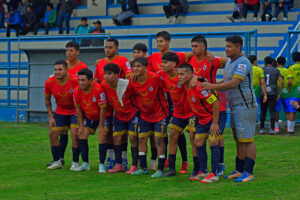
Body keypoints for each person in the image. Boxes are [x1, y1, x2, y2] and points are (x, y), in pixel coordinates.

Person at [201, 36, 257, 182]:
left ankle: (249, 171)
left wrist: (212, 86)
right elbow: (226, 82)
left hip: (245, 106)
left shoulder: (243, 63)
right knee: (238, 138)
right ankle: (239, 169)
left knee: (247, 139)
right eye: (226, 46)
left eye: (229, 46)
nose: (226, 49)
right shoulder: (229, 63)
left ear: (238, 48)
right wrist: (210, 84)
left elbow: (234, 83)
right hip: (234, 106)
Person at [148, 31, 190, 171]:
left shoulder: (178, 58)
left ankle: (185, 160)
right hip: (168, 101)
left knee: (182, 134)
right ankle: (165, 160)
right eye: (157, 41)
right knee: (169, 131)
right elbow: (148, 73)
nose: (159, 44)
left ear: (168, 41)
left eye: (161, 41)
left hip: (184, 105)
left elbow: (193, 55)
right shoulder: (153, 58)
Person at [188, 35, 228, 178]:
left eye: (196, 46)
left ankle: (218, 167)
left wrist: (220, 83)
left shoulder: (212, 59)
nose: (193, 49)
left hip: (213, 102)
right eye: (192, 46)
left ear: (203, 47)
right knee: (197, 138)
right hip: (199, 106)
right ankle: (202, 170)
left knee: (214, 138)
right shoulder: (190, 59)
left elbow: (230, 61)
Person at [178, 63, 224, 183]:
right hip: (201, 119)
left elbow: (215, 103)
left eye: (182, 74)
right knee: (198, 141)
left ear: (190, 75)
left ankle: (214, 174)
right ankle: (203, 171)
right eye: (178, 74)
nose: (179, 77)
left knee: (213, 141)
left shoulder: (198, 87)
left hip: (215, 116)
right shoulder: (186, 85)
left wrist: (215, 123)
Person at [94, 38, 132, 170]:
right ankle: (111, 158)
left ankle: (123, 158)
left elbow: (129, 76)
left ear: (116, 48)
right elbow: (97, 82)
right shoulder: (100, 63)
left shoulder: (123, 60)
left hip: (121, 102)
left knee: (123, 133)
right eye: (106, 47)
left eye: (110, 47)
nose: (107, 49)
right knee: (108, 131)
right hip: (107, 103)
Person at [156, 52, 194, 177]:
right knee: (172, 135)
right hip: (177, 111)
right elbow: (153, 77)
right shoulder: (163, 75)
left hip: (191, 111)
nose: (163, 65)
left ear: (174, 64)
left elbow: (194, 77)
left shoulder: (181, 75)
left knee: (193, 138)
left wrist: (195, 78)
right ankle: (171, 168)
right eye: (162, 62)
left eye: (165, 62)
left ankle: (197, 168)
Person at [130, 57, 169, 178]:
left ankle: (161, 169)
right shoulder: (132, 80)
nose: (135, 68)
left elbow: (166, 89)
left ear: (145, 67)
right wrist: (140, 107)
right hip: (144, 115)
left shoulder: (155, 78)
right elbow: (131, 96)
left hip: (159, 113)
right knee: (141, 139)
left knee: (158, 140)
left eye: (138, 66)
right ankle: (143, 168)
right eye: (134, 66)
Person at [100, 63, 139, 174]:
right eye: (105, 74)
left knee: (132, 138)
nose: (106, 76)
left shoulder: (127, 84)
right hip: (119, 115)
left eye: (109, 74)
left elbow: (137, 94)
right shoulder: (104, 85)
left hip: (132, 113)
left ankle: (135, 165)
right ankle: (119, 164)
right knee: (116, 137)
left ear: (117, 75)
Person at [44, 60, 79, 170]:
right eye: (55, 70)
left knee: (74, 134)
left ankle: (75, 162)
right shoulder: (49, 82)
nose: (57, 72)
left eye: (60, 69)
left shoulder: (75, 80)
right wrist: (51, 117)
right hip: (60, 111)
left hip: (75, 111)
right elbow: (47, 100)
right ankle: (57, 161)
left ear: (66, 69)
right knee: (52, 133)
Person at [73, 68, 107, 171]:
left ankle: (101, 165)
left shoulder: (98, 89)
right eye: (79, 80)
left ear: (91, 80)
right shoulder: (76, 91)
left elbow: (103, 108)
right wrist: (81, 126)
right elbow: (78, 109)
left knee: (102, 135)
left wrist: (101, 126)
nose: (80, 83)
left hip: (102, 116)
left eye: (83, 80)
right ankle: (85, 164)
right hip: (89, 116)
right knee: (82, 134)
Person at [132, 43, 158, 170]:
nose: (136, 54)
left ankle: (154, 161)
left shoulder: (153, 75)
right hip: (141, 110)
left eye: (139, 52)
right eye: (134, 52)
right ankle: (138, 164)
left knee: (155, 137)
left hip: (156, 110)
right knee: (139, 136)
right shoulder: (132, 76)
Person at [260, 56, 282, 135]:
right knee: (272, 111)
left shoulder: (261, 70)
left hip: (263, 92)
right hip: (273, 93)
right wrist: (279, 93)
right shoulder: (276, 70)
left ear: (264, 62)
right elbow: (280, 81)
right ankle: (272, 129)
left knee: (263, 111)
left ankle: (262, 129)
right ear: (272, 63)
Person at [274, 56, 291, 134]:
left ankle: (276, 127)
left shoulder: (275, 70)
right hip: (287, 94)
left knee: (276, 111)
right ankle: (289, 127)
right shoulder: (288, 70)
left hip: (277, 93)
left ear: (277, 63)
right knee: (287, 111)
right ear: (285, 63)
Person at [248, 55, 267, 122]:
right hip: (256, 93)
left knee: (248, 107)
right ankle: (256, 121)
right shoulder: (259, 70)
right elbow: (263, 83)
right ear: (255, 61)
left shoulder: (246, 69)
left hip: (247, 92)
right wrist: (265, 94)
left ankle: (249, 121)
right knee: (256, 107)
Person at [287, 52, 300, 135]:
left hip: (294, 92)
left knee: (292, 111)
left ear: (292, 59)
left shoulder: (291, 68)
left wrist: (288, 88)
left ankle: (291, 130)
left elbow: (289, 81)